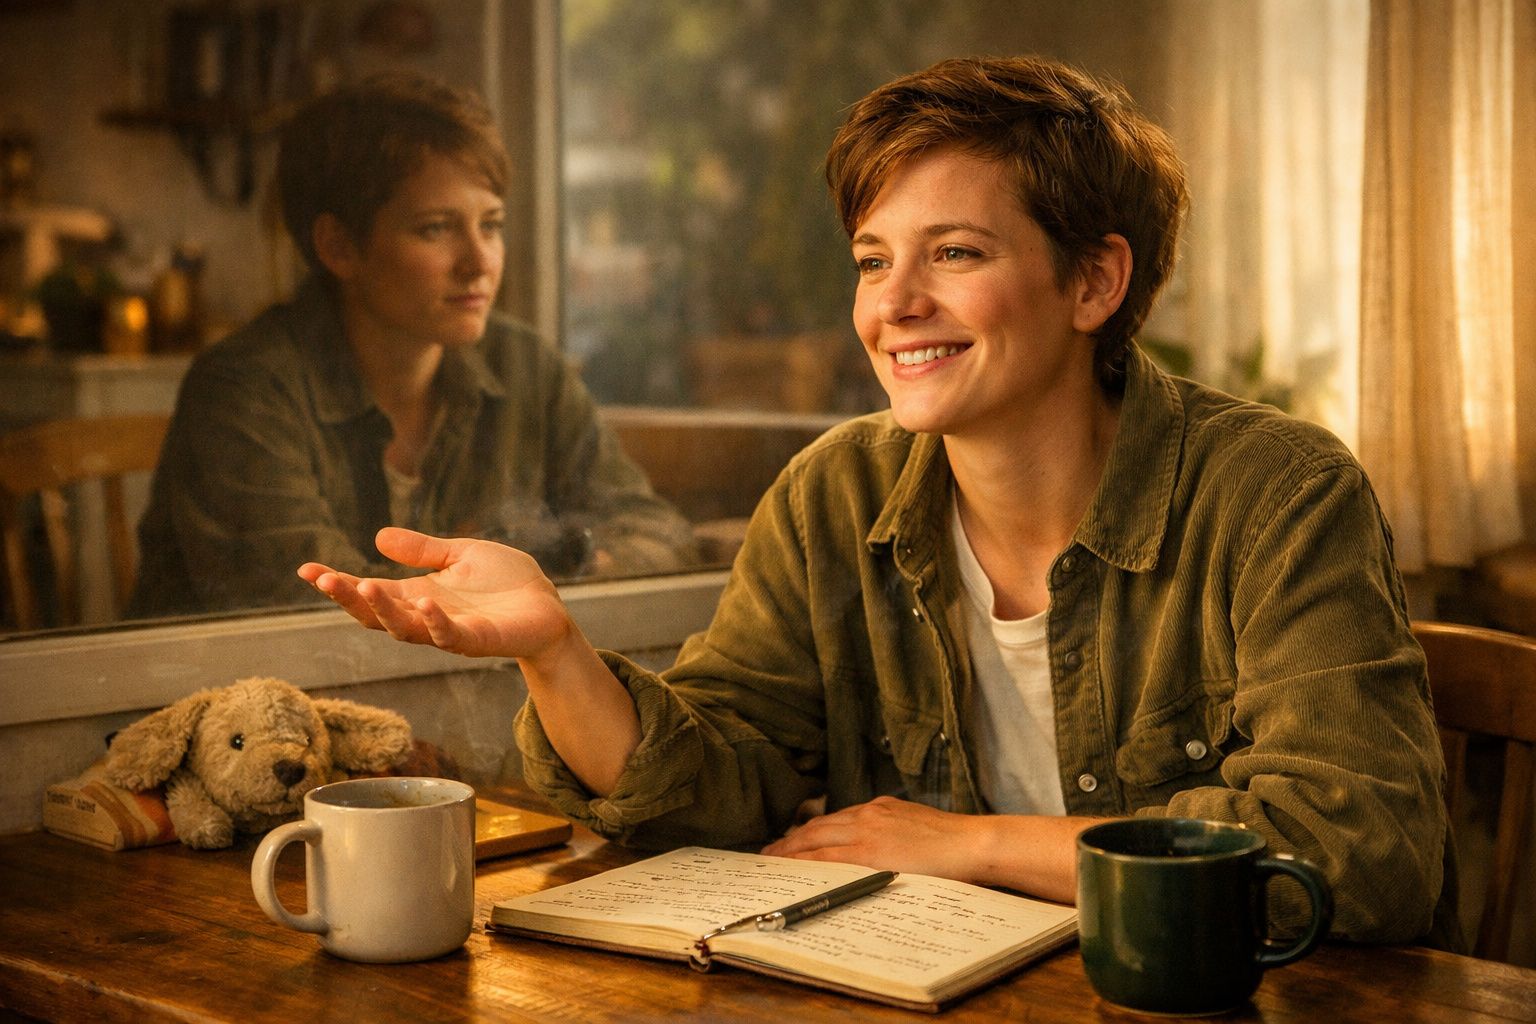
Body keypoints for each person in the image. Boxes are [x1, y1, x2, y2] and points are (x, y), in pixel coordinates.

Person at [299, 56, 1459, 948]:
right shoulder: (832, 493)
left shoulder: (1279, 496)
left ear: (1095, 281)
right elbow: (724, 778)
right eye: (870, 258)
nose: (893, 303)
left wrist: (972, 846)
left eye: (952, 252)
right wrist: (556, 651)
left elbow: (1358, 852)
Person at [131, 74, 697, 618]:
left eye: (492, 225)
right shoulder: (242, 391)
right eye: (436, 229)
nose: (479, 263)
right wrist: (528, 580)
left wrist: (577, 559)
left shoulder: (526, 366)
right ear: (339, 247)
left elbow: (658, 534)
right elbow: (324, 606)